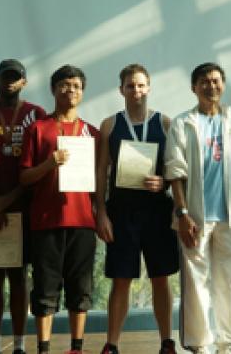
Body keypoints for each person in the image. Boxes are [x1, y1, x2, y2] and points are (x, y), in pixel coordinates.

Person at [95, 64, 178, 354]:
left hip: (157, 211)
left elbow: (174, 169)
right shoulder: (110, 125)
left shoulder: (165, 123)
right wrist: (101, 213)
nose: (136, 90)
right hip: (121, 211)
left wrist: (164, 182)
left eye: (141, 85)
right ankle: (112, 344)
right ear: (121, 90)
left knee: (160, 277)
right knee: (121, 279)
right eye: (130, 86)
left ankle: (167, 341)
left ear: (149, 87)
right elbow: (101, 171)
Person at [165, 62, 231, 354]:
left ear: (223, 84)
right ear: (194, 87)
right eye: (204, 82)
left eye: (215, 81)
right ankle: (200, 344)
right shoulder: (182, 123)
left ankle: (227, 342)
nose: (210, 86)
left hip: (228, 216)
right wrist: (183, 213)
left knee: (227, 281)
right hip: (195, 218)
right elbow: (175, 172)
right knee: (196, 283)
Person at [20, 65, 99, 354]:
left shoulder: (93, 133)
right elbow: (24, 177)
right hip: (45, 222)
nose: (70, 90)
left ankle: (76, 348)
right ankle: (43, 348)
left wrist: (101, 215)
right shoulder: (38, 129)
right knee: (44, 289)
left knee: (81, 289)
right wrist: (49, 164)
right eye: (64, 85)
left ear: (82, 91)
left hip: (83, 222)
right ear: (53, 90)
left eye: (76, 85)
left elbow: (100, 181)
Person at [0, 59, 47, 354]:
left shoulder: (35, 114)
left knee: (19, 276)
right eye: (5, 77)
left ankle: (18, 346)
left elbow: (38, 165)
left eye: (16, 78)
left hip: (23, 206)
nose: (10, 82)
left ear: (24, 82)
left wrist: (8, 200)